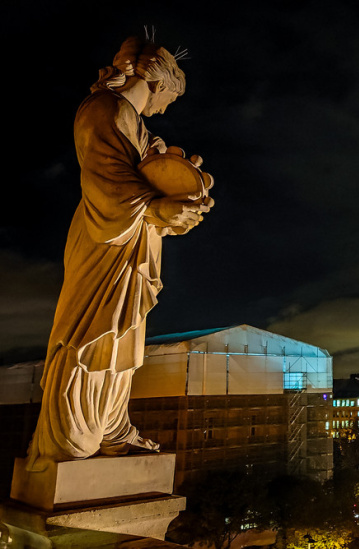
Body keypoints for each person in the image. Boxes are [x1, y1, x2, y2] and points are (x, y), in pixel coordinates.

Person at [26, 35, 213, 471]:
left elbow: (157, 176)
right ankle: (69, 438)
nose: (165, 109)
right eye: (169, 99)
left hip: (132, 241)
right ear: (157, 83)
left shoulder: (139, 126)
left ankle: (110, 427)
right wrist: (154, 205)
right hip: (104, 234)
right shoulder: (104, 109)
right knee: (92, 330)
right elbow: (103, 179)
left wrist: (190, 194)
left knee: (123, 337)